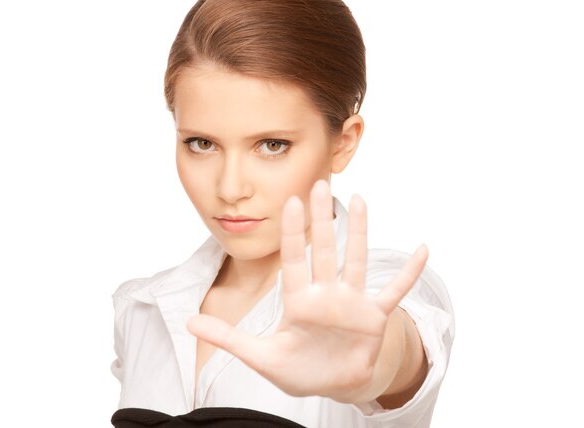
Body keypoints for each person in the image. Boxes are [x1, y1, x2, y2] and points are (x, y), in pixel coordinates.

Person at [110, 1, 454, 427]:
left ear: (343, 143)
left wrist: (375, 363)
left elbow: (395, 352)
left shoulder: (386, 292)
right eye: (201, 143)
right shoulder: (141, 309)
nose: (230, 188)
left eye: (272, 145)